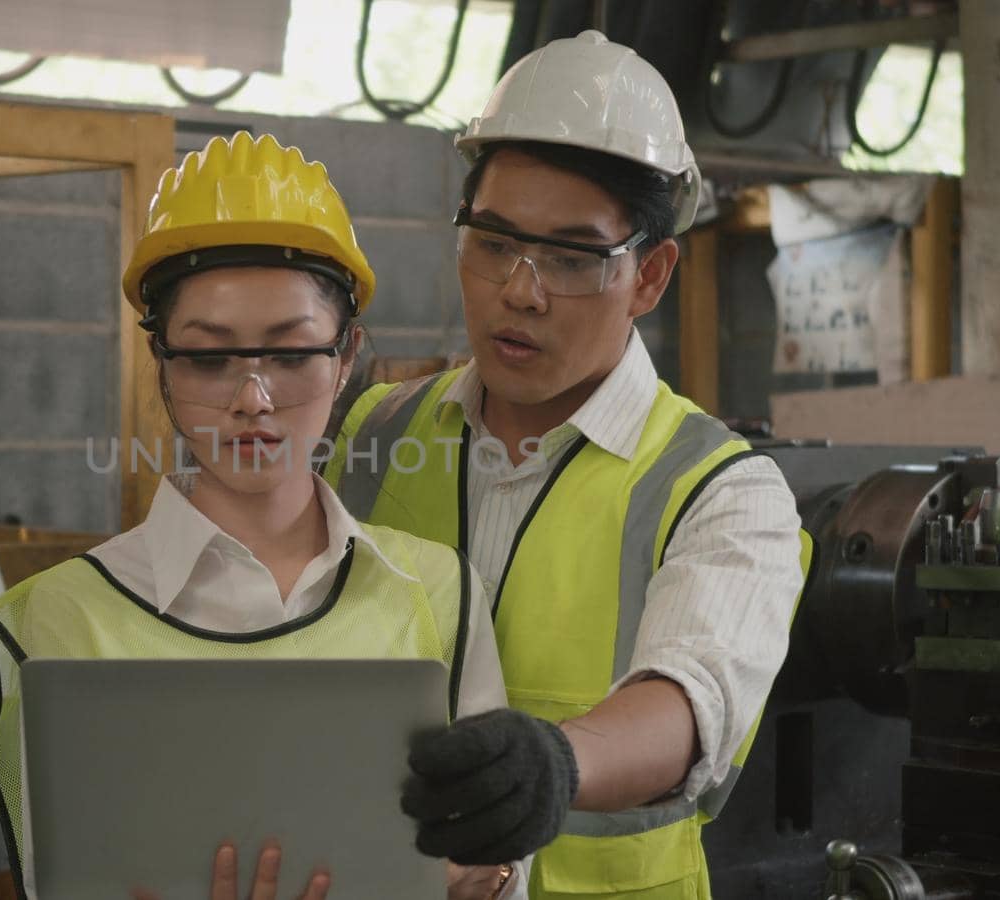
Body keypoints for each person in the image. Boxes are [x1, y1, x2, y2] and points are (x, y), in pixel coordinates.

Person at [0, 132, 530, 900]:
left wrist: (488, 877)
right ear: (160, 364)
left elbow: (497, 867)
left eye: (292, 354)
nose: (252, 399)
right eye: (208, 357)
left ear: (346, 358)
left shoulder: (435, 592)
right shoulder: (63, 618)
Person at [323, 32, 812, 900]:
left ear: (651, 275)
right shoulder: (375, 433)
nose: (520, 289)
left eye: (571, 257)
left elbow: (691, 698)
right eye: (494, 241)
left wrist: (557, 763)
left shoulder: (722, 491)